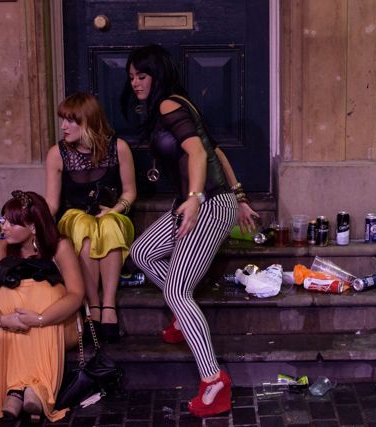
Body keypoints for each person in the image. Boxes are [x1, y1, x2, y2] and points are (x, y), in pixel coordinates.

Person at [121, 43, 255, 417]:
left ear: (158, 75)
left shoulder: (170, 105)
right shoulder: (178, 106)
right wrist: (240, 196)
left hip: (206, 205)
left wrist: (196, 197)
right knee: (142, 252)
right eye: (131, 77)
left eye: (142, 76)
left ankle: (214, 381)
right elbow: (216, 151)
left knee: (177, 290)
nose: (135, 83)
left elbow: (198, 153)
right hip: (201, 201)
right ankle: (183, 318)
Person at [0, 190, 84, 422]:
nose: (3, 227)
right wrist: (1, 318)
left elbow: (76, 294)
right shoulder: (2, 248)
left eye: (12, 223)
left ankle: (36, 386)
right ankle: (17, 388)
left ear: (33, 226)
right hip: (11, 325)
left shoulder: (59, 247)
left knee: (45, 292)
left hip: (54, 324)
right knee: (2, 295)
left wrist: (41, 318)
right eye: (4, 220)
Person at [45, 93, 136, 343]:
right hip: (74, 216)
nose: (63, 126)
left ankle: (109, 305)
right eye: (62, 120)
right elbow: (52, 203)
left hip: (111, 214)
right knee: (84, 226)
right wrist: (35, 223)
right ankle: (93, 306)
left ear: (88, 121)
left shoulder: (119, 148)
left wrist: (115, 210)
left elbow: (130, 192)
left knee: (107, 225)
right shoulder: (57, 154)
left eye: (69, 120)